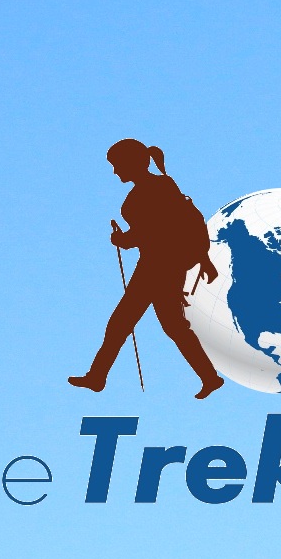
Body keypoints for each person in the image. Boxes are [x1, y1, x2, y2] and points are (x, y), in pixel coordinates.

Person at [73, 139, 226, 398]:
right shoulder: (158, 187)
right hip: (157, 266)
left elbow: (157, 230)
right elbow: (158, 229)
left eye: (117, 165)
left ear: (130, 163)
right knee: (161, 326)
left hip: (159, 267)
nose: (115, 172)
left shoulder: (157, 188)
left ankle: (97, 377)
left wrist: (124, 240)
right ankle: (209, 378)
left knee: (129, 323)